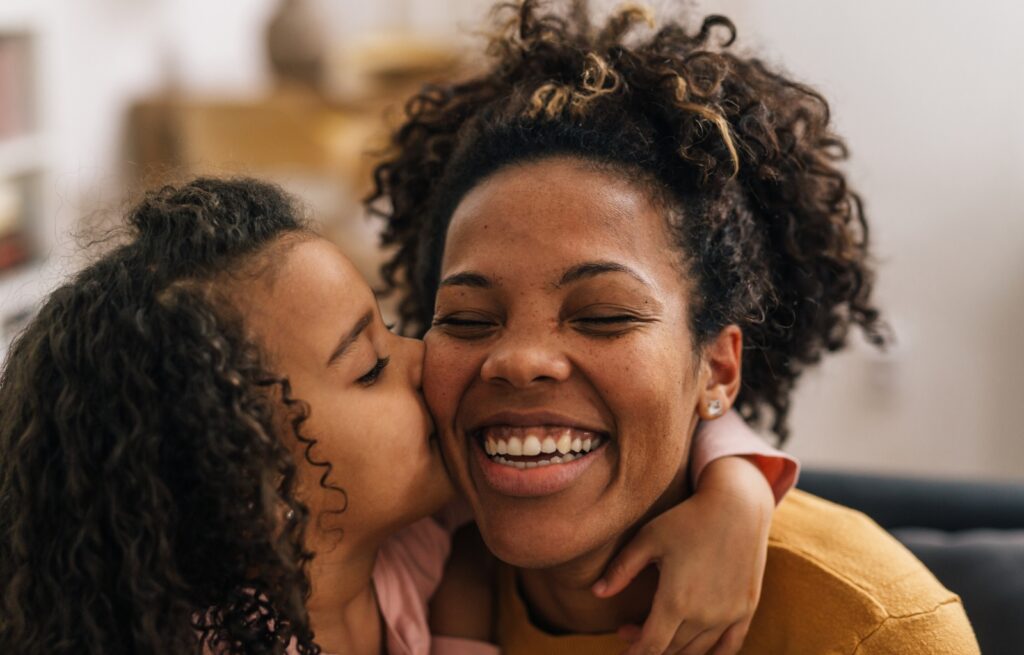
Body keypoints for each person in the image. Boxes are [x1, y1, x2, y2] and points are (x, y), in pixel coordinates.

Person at [369, 1, 982, 653]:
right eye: (466, 319)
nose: (519, 360)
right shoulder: (392, 572)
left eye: (602, 315)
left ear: (717, 368)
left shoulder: (873, 630)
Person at [0, 178, 797, 655]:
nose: (421, 356)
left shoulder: (411, 544)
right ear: (244, 476)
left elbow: (683, 394)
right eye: (370, 364)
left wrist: (738, 490)